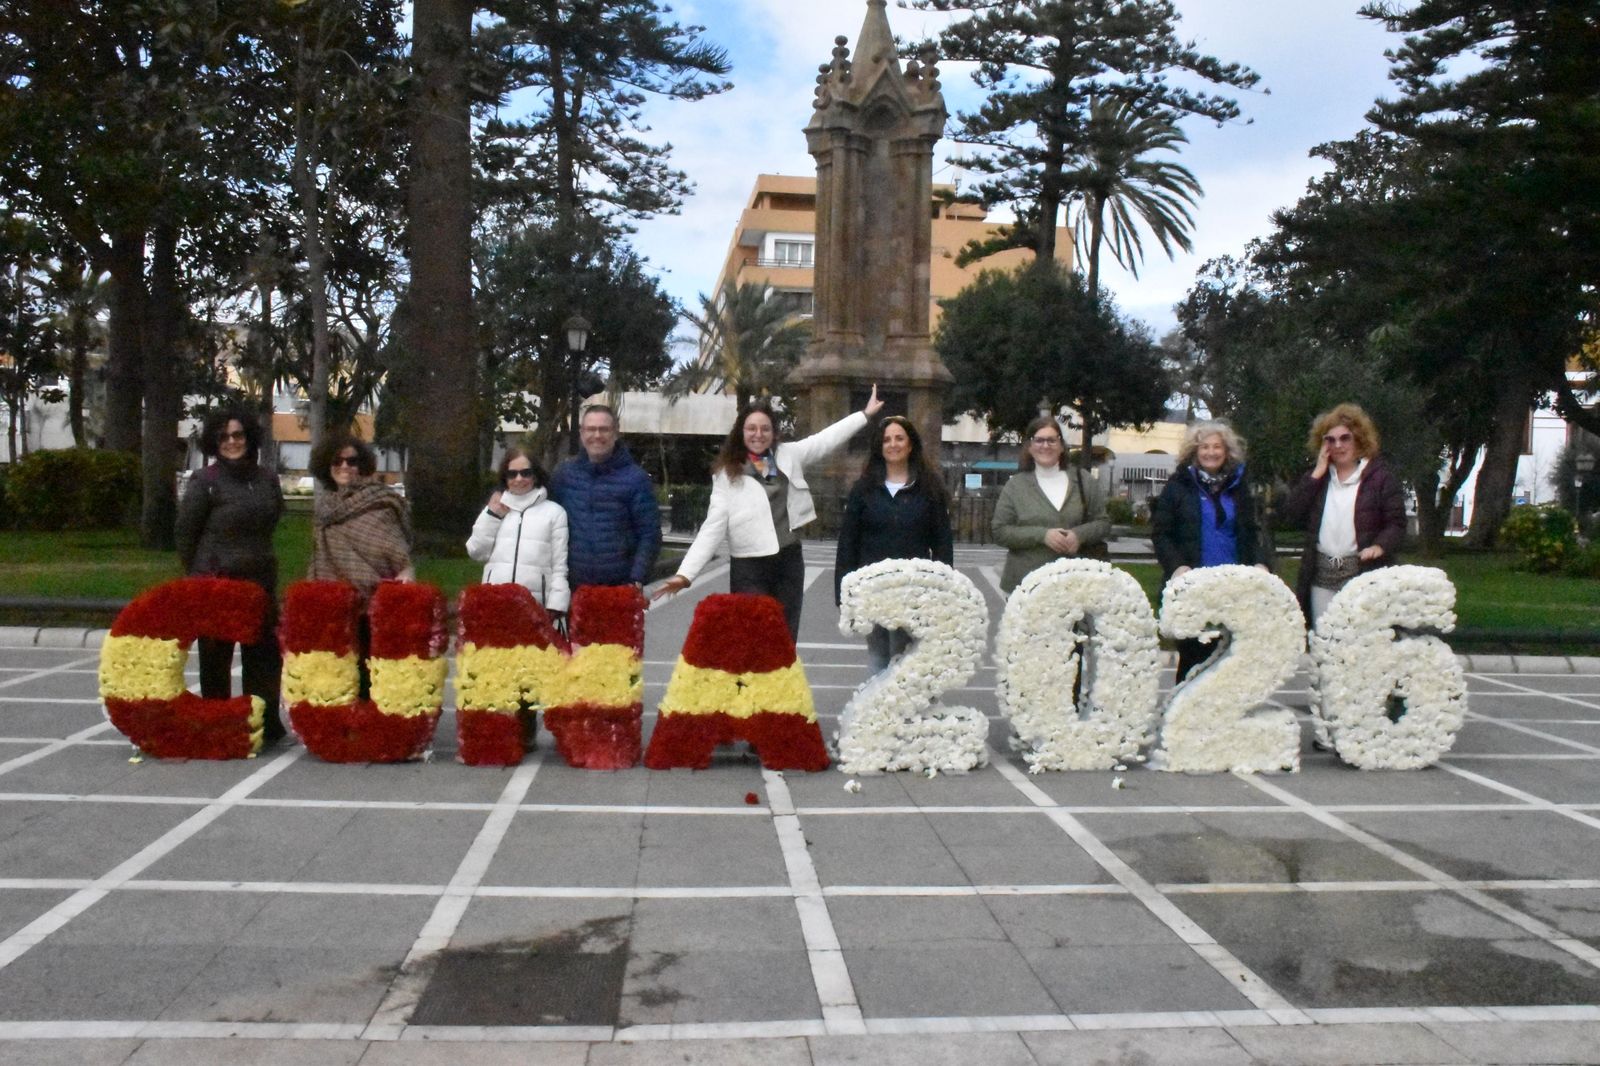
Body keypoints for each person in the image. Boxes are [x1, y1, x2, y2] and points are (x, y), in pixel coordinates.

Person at [653, 386, 886, 639]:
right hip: (749, 565)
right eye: (751, 428)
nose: (758, 434)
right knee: (750, 636)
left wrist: (864, 415)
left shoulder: (789, 455)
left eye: (765, 428)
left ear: (774, 432)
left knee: (784, 636)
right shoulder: (727, 474)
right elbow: (712, 528)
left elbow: (825, 440)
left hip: (788, 560)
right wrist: (685, 574)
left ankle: (783, 678)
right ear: (741, 432)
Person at [175, 406, 285, 743]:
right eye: (223, 436)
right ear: (213, 442)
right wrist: (202, 573)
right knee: (216, 659)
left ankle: (263, 724)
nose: (232, 442)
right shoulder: (204, 481)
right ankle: (218, 723)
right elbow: (185, 534)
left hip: (260, 579)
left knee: (264, 656)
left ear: (249, 437)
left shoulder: (267, 478)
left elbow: (274, 516)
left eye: (238, 435)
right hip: (217, 582)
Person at [835, 415, 954, 674]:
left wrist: (944, 589)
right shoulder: (863, 489)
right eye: (887, 440)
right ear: (880, 447)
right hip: (873, 588)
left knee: (906, 657)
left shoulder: (929, 489)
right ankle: (876, 712)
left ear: (911, 445)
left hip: (915, 590)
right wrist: (842, 593)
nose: (893, 444)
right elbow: (848, 543)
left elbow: (943, 543)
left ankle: (904, 713)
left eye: (899, 438)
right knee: (878, 655)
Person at [1151, 420, 1263, 681]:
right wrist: (1178, 566)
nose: (1210, 452)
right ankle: (1183, 715)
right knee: (1193, 660)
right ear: (1195, 450)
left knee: (1229, 663)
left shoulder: (1240, 487)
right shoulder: (1178, 487)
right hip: (1192, 586)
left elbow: (1255, 530)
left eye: (1217, 447)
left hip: (1233, 588)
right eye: (1205, 447)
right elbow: (1161, 533)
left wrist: (1260, 563)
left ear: (1226, 451)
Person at [1281, 402, 1407, 625]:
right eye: (1330, 440)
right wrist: (1317, 474)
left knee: (1359, 643)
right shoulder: (1317, 479)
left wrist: (1380, 546)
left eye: (1345, 438)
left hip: (1362, 576)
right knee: (1324, 640)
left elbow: (1396, 523)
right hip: (1321, 578)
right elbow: (1291, 514)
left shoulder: (1381, 478)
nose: (1338, 445)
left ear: (1358, 439)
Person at [308, 434, 413, 698]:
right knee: (335, 677)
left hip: (372, 605)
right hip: (333, 605)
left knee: (370, 677)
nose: (344, 466)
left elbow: (393, 549)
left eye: (351, 461)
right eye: (337, 460)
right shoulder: (325, 509)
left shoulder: (380, 502)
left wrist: (404, 573)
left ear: (362, 465)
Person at [991, 415, 1111, 595]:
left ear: (1061, 446)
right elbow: (999, 531)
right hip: (1026, 586)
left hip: (1076, 585)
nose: (1045, 446)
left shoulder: (1083, 480)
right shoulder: (1015, 486)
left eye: (1051, 440)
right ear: (1030, 447)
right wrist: (1042, 535)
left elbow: (1103, 522)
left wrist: (1079, 535)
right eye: (1038, 440)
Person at [547, 405, 660, 590]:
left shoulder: (636, 479)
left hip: (620, 588)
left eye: (604, 429)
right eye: (591, 429)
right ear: (582, 433)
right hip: (573, 588)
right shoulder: (564, 475)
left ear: (615, 433)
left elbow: (649, 534)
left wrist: (637, 577)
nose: (597, 435)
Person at [466, 448, 571, 618]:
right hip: (495, 601)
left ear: (535, 475)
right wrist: (492, 516)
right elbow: (476, 552)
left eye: (526, 473)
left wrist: (556, 604)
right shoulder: (494, 509)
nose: (519, 479)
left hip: (536, 606)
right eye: (512, 474)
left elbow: (560, 565)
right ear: (505, 477)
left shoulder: (555, 513)